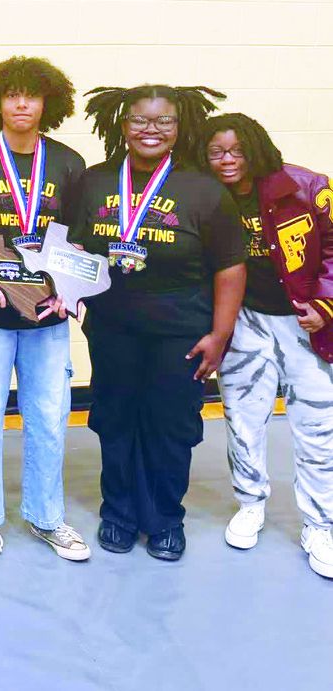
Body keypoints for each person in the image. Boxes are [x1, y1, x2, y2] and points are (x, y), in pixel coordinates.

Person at [68, 85, 246, 561]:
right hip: (112, 328)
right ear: (122, 126)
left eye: (163, 121)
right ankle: (119, 514)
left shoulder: (203, 189)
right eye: (140, 120)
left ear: (178, 126)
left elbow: (231, 266)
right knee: (116, 418)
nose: (151, 129)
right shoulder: (95, 180)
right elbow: (75, 248)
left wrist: (220, 334)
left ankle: (166, 519)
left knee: (170, 426)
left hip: (180, 332)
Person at [0, 56, 90, 563]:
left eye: (31, 94)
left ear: (48, 101)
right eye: (11, 94)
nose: (22, 103)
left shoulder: (70, 164)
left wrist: (63, 289)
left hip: (46, 317)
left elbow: (78, 240)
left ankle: (48, 517)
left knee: (49, 416)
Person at [200, 113, 333, 578]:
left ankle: (320, 525)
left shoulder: (307, 187)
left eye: (236, 150)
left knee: (318, 427)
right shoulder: (205, 195)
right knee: (243, 418)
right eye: (217, 152)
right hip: (244, 323)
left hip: (304, 324)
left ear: (256, 148)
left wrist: (326, 303)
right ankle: (251, 503)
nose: (227, 160)